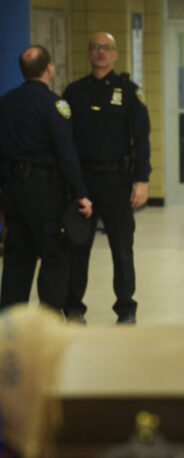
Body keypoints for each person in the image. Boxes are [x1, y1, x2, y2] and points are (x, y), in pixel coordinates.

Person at [62, 32, 151, 324]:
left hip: (118, 182)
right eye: (95, 47)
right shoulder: (74, 92)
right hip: (83, 182)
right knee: (77, 248)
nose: (101, 52)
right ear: (88, 53)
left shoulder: (129, 91)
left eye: (107, 48)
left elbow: (142, 138)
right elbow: (64, 142)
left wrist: (142, 180)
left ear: (115, 55)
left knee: (122, 248)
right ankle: (74, 308)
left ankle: (125, 308)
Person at [0, 45, 92, 313]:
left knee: (17, 259)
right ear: (50, 68)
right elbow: (66, 154)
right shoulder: (54, 105)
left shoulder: (5, 103)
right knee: (54, 257)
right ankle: (48, 322)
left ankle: (9, 325)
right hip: (44, 194)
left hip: (13, 192)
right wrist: (81, 194)